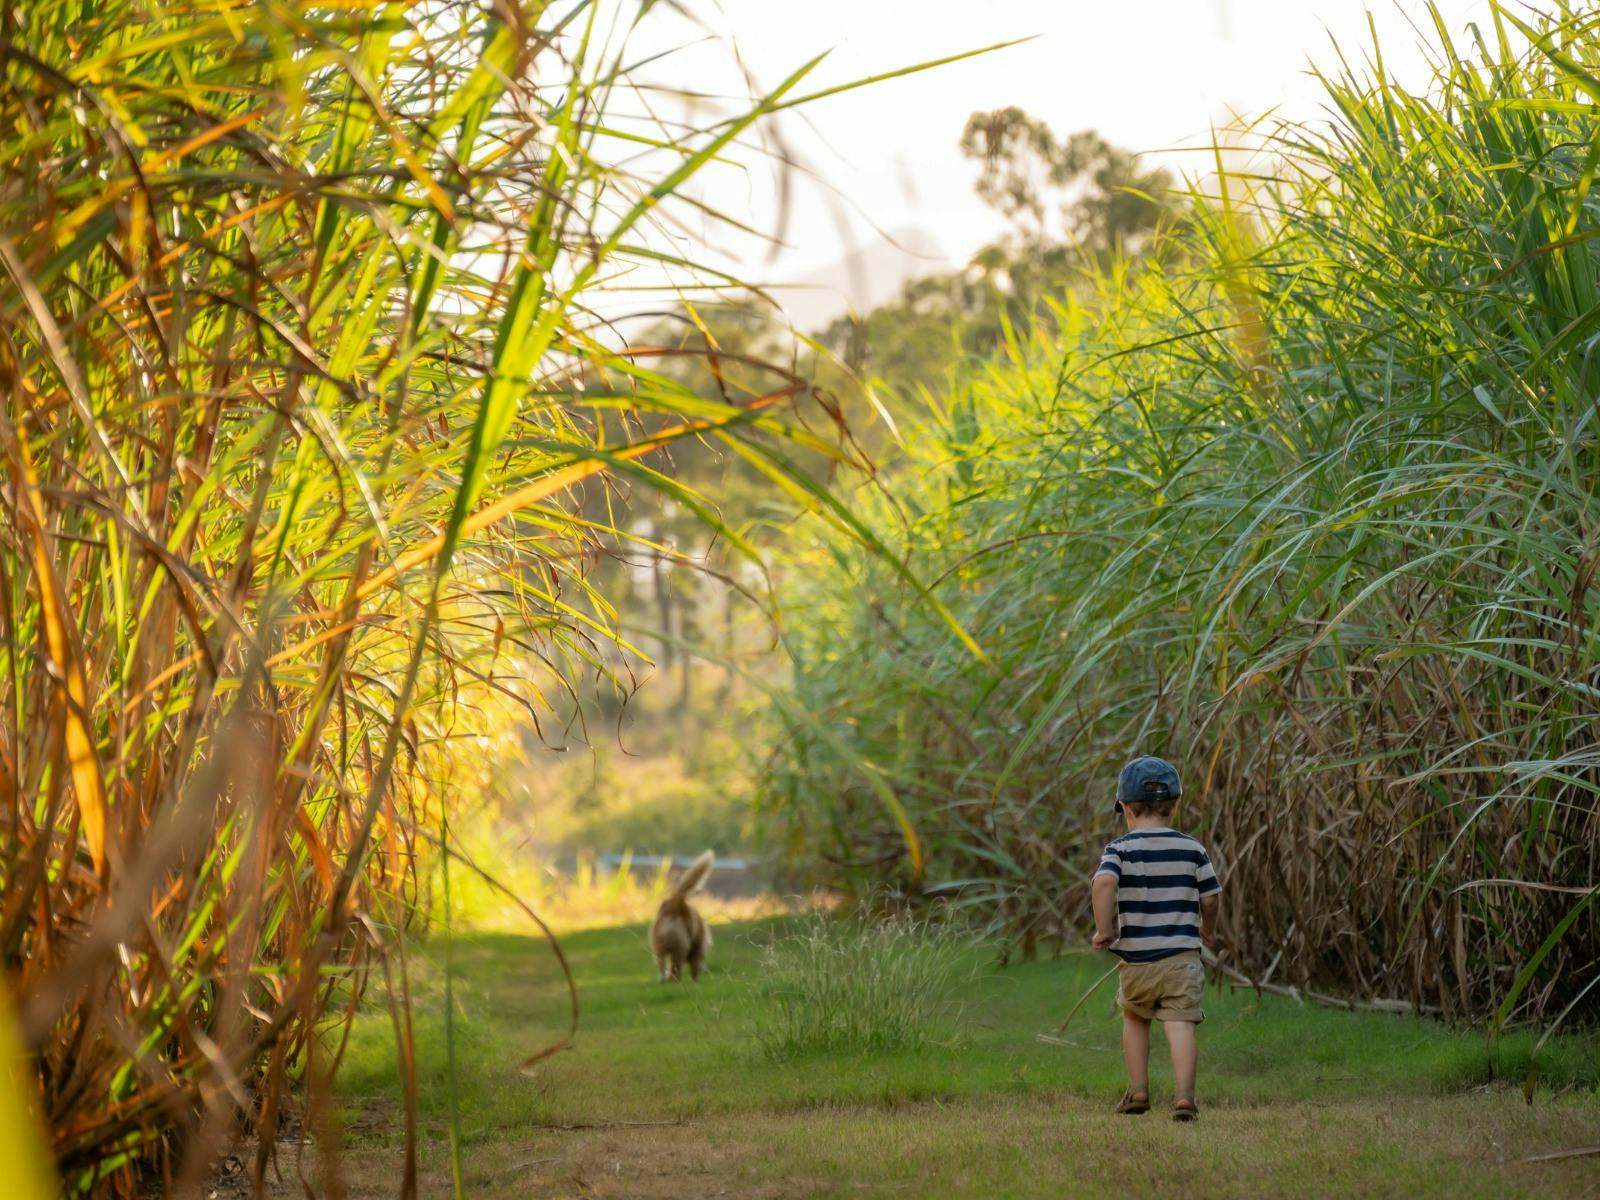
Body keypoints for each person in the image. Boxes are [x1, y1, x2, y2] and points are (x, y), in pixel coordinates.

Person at [1091, 755, 1220, 1122]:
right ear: (1175, 805)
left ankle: (1139, 1090)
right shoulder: (1192, 848)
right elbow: (1211, 896)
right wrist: (1208, 930)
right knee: (1180, 1024)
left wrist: (1105, 930)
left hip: (1138, 960)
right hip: (1182, 958)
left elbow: (1103, 883)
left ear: (1125, 808)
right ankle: (1184, 1099)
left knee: (1135, 1018)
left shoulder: (1119, 849)